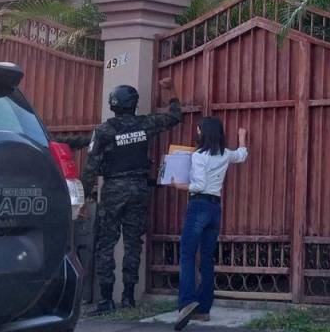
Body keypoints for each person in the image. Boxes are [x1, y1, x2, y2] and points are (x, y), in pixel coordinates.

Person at [82, 78, 182, 314]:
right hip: (139, 188)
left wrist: (84, 198)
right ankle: (128, 297)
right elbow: (175, 117)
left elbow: (90, 168)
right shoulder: (145, 124)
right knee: (133, 243)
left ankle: (107, 299)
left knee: (106, 243)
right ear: (133, 104)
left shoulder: (104, 131)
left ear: (113, 104)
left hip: (114, 189)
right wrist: (171, 93)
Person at [171, 118, 248, 331]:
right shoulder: (225, 154)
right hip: (215, 208)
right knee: (206, 258)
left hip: (198, 206)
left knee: (187, 255)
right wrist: (242, 137)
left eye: (198, 130)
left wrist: (179, 186)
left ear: (204, 133)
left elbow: (199, 185)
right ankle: (204, 310)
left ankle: (186, 303)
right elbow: (242, 155)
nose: (196, 133)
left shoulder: (198, 156)